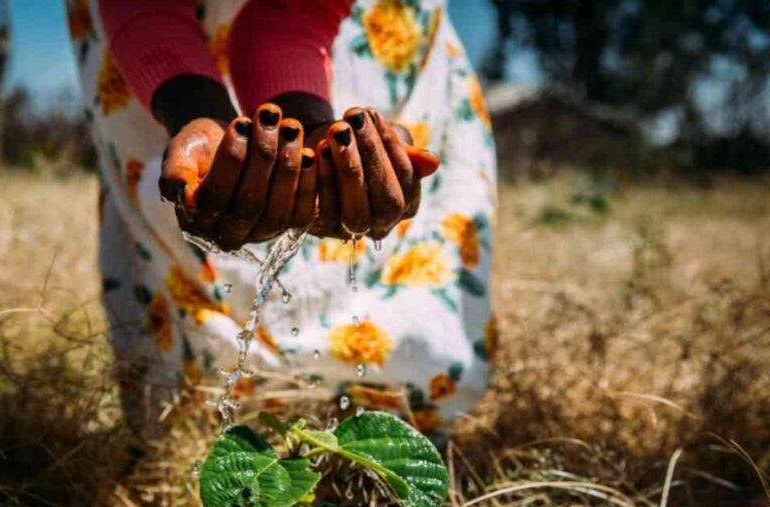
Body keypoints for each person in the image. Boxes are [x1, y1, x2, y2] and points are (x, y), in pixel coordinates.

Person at [65, 0, 497, 438]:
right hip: (145, 42)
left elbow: (293, 13)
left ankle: (391, 445)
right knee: (175, 262)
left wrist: (306, 118)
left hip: (332, 32)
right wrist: (197, 110)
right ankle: (193, 439)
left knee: (396, 285)